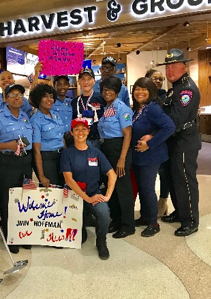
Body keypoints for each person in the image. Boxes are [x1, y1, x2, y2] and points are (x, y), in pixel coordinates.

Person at [157, 48, 201, 237]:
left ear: (184, 67)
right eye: (168, 67)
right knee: (175, 180)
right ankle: (180, 212)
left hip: (184, 141)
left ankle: (191, 220)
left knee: (185, 181)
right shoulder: (174, 89)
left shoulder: (186, 90)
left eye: (174, 67)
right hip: (174, 141)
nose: (169, 71)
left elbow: (175, 120)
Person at [0, 83, 33, 254]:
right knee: (7, 201)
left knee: (25, 199)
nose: (17, 97)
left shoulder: (25, 117)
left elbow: (28, 141)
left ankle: (23, 234)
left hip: (25, 162)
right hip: (6, 163)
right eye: (12, 95)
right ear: (5, 99)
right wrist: (9, 145)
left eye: (19, 94)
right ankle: (10, 236)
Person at [61, 118, 117, 260]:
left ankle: (101, 242)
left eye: (83, 129)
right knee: (80, 238)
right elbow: (69, 179)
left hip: (94, 193)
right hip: (74, 196)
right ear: (71, 133)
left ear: (88, 131)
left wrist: (107, 196)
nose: (80, 132)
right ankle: (82, 226)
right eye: (77, 129)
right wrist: (87, 199)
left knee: (104, 213)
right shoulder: (67, 153)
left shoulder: (96, 152)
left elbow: (112, 174)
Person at [131, 77, 175, 237]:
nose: (140, 92)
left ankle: (153, 223)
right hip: (139, 157)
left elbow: (169, 127)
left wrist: (150, 143)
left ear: (151, 91)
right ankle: (145, 216)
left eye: (144, 89)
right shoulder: (139, 108)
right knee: (143, 188)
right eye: (137, 89)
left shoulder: (153, 108)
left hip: (151, 156)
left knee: (148, 188)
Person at [98, 75, 135, 238]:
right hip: (107, 149)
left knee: (123, 189)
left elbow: (128, 134)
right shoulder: (107, 109)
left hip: (119, 149)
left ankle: (128, 225)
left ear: (118, 91)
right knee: (111, 187)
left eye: (111, 89)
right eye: (105, 89)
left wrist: (122, 159)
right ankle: (117, 220)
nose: (107, 92)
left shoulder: (122, 108)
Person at [145, 69, 170, 217]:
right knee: (148, 178)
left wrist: (153, 136)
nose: (158, 81)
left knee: (164, 173)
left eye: (161, 79)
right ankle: (149, 206)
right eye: (155, 78)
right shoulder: (142, 97)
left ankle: (163, 202)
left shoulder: (165, 97)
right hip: (145, 143)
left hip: (161, 140)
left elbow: (168, 123)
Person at [30, 83, 65, 188]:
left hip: (61, 156)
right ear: (38, 99)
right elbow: (36, 150)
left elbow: (61, 137)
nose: (49, 99)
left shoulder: (56, 115)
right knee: (53, 191)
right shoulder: (35, 120)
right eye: (45, 96)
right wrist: (41, 175)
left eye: (51, 96)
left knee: (64, 189)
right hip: (47, 159)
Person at [71, 68, 105, 149]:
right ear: (79, 82)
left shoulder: (101, 98)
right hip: (79, 140)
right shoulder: (75, 101)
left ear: (94, 81)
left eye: (89, 79)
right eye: (83, 79)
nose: (86, 82)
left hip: (97, 140)